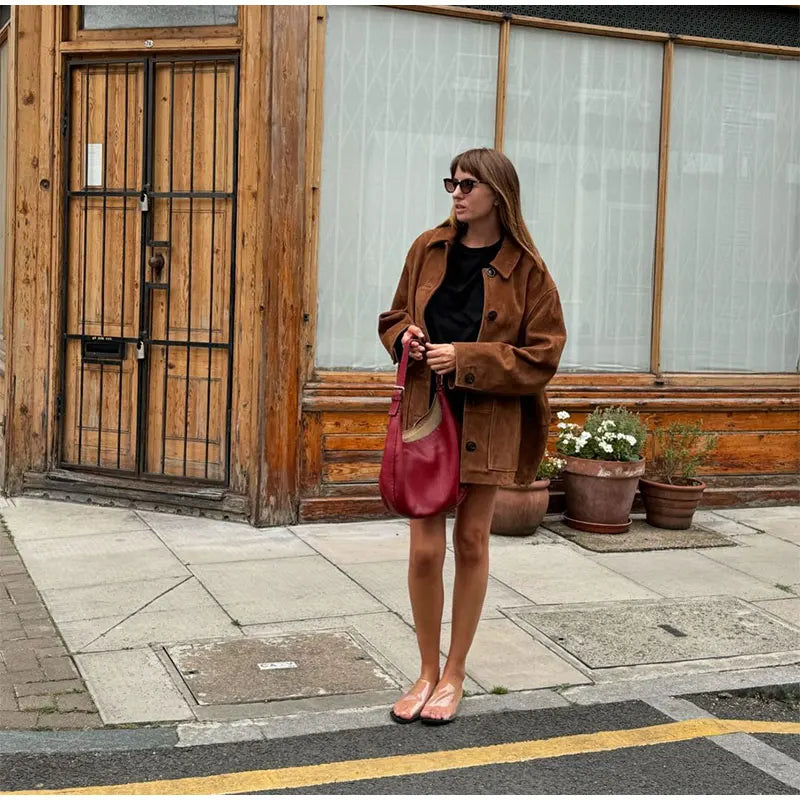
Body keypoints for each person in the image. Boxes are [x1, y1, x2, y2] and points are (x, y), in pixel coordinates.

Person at [377, 147, 567, 725]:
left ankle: (455, 674)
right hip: (427, 412)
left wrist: (465, 357)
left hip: (488, 418)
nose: (456, 194)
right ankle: (425, 670)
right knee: (425, 548)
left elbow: (543, 356)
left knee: (473, 543)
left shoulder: (527, 270)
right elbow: (390, 317)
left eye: (467, 185)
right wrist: (404, 338)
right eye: (451, 184)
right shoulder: (427, 249)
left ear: (497, 195)